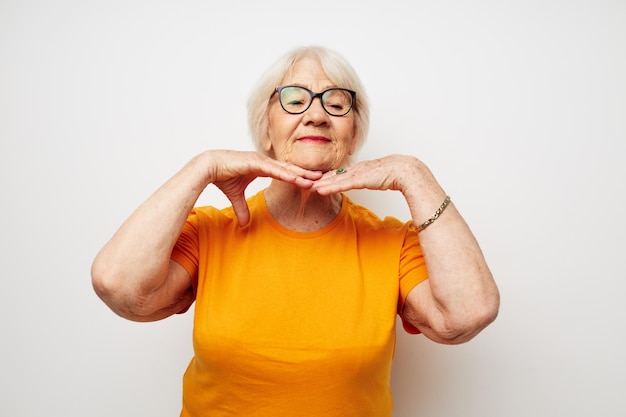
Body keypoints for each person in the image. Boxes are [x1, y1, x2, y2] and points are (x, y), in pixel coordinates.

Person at [91, 45, 499, 417]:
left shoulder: (392, 243)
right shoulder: (212, 231)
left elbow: (467, 314)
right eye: (294, 99)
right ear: (265, 129)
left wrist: (414, 175)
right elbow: (119, 286)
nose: (317, 114)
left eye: (337, 103)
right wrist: (205, 166)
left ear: (353, 133)